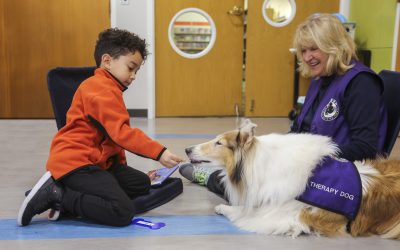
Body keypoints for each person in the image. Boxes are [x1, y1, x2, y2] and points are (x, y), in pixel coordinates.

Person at [180, 13, 387, 199]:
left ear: (334, 45)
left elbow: (366, 148)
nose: (307, 57)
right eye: (304, 50)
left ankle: (211, 179)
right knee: (248, 165)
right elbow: (299, 131)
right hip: (308, 165)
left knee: (250, 188)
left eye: (314, 49)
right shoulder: (320, 79)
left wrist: (305, 158)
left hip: (337, 173)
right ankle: (218, 176)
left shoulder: (361, 83)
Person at [18, 28, 183, 227]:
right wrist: (160, 153)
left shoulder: (110, 87)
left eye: (136, 71)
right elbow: (121, 133)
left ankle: (70, 192)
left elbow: (112, 139)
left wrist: (120, 168)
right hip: (76, 164)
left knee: (140, 183)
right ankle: (59, 195)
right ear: (107, 61)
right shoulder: (99, 89)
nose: (133, 76)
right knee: (122, 211)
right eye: (130, 68)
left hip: (98, 162)